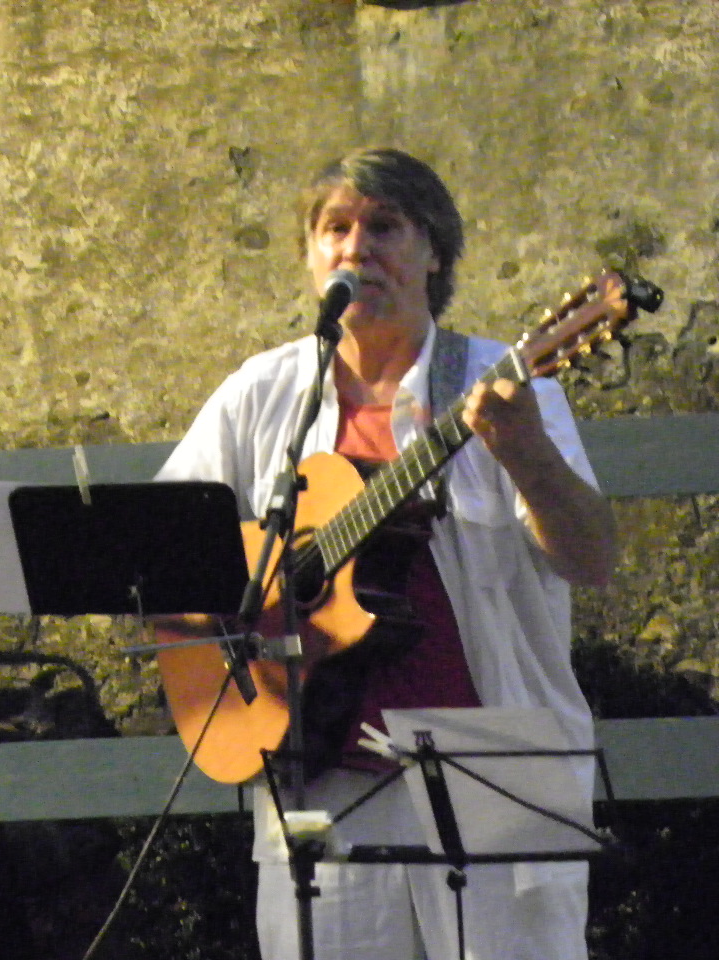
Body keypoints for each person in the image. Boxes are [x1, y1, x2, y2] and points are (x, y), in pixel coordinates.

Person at [156, 147, 614, 960]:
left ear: (433, 252)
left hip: (495, 763)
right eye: (335, 228)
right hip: (316, 772)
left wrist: (529, 458)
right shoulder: (263, 393)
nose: (356, 248)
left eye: (384, 227)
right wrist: (245, 630)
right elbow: (165, 553)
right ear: (310, 254)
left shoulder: (511, 388)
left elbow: (592, 560)